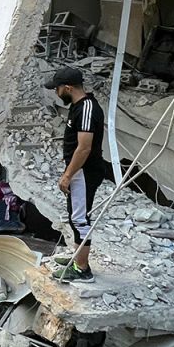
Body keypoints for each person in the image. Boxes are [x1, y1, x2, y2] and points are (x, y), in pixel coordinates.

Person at [44, 66, 107, 283]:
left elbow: (84, 148)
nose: (56, 92)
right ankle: (78, 258)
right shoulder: (79, 106)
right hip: (79, 171)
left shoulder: (87, 108)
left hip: (84, 172)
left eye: (57, 88)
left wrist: (68, 175)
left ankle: (82, 269)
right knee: (75, 216)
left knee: (79, 219)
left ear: (68, 87)